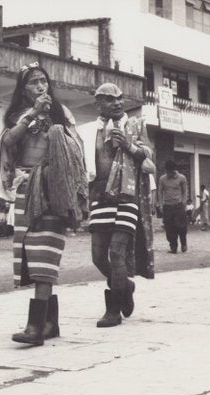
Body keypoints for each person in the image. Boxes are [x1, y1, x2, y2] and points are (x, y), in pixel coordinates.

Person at [0, 61, 89, 346]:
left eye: (43, 81)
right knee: (33, 253)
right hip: (26, 188)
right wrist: (33, 115)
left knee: (44, 252)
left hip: (54, 189)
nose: (40, 86)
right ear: (23, 90)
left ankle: (35, 327)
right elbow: (9, 143)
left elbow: (76, 150)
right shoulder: (17, 116)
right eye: (34, 82)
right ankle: (50, 322)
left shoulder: (63, 114)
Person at [78, 83, 155, 328]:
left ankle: (113, 310)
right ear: (98, 104)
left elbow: (149, 154)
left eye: (120, 98)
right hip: (99, 195)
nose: (117, 103)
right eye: (110, 100)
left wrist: (128, 146)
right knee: (98, 256)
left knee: (117, 252)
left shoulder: (135, 124)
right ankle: (125, 286)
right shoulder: (88, 130)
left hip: (126, 194)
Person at [158, 160, 188, 253]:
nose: (168, 173)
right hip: (167, 206)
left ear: (174, 170)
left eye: (170, 171)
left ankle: (183, 243)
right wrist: (160, 204)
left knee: (181, 226)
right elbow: (160, 192)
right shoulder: (162, 179)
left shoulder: (182, 178)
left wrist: (183, 203)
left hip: (178, 205)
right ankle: (173, 247)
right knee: (169, 228)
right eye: (167, 171)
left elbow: (185, 192)